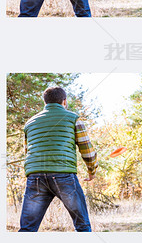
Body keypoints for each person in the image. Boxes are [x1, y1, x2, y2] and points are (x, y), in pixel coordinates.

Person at [19, 86, 98, 232]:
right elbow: (87, 150)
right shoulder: (73, 118)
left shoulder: (29, 123)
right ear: (64, 101)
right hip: (63, 175)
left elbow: (27, 152)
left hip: (35, 176)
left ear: (45, 102)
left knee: (27, 228)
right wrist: (91, 170)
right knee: (82, 226)